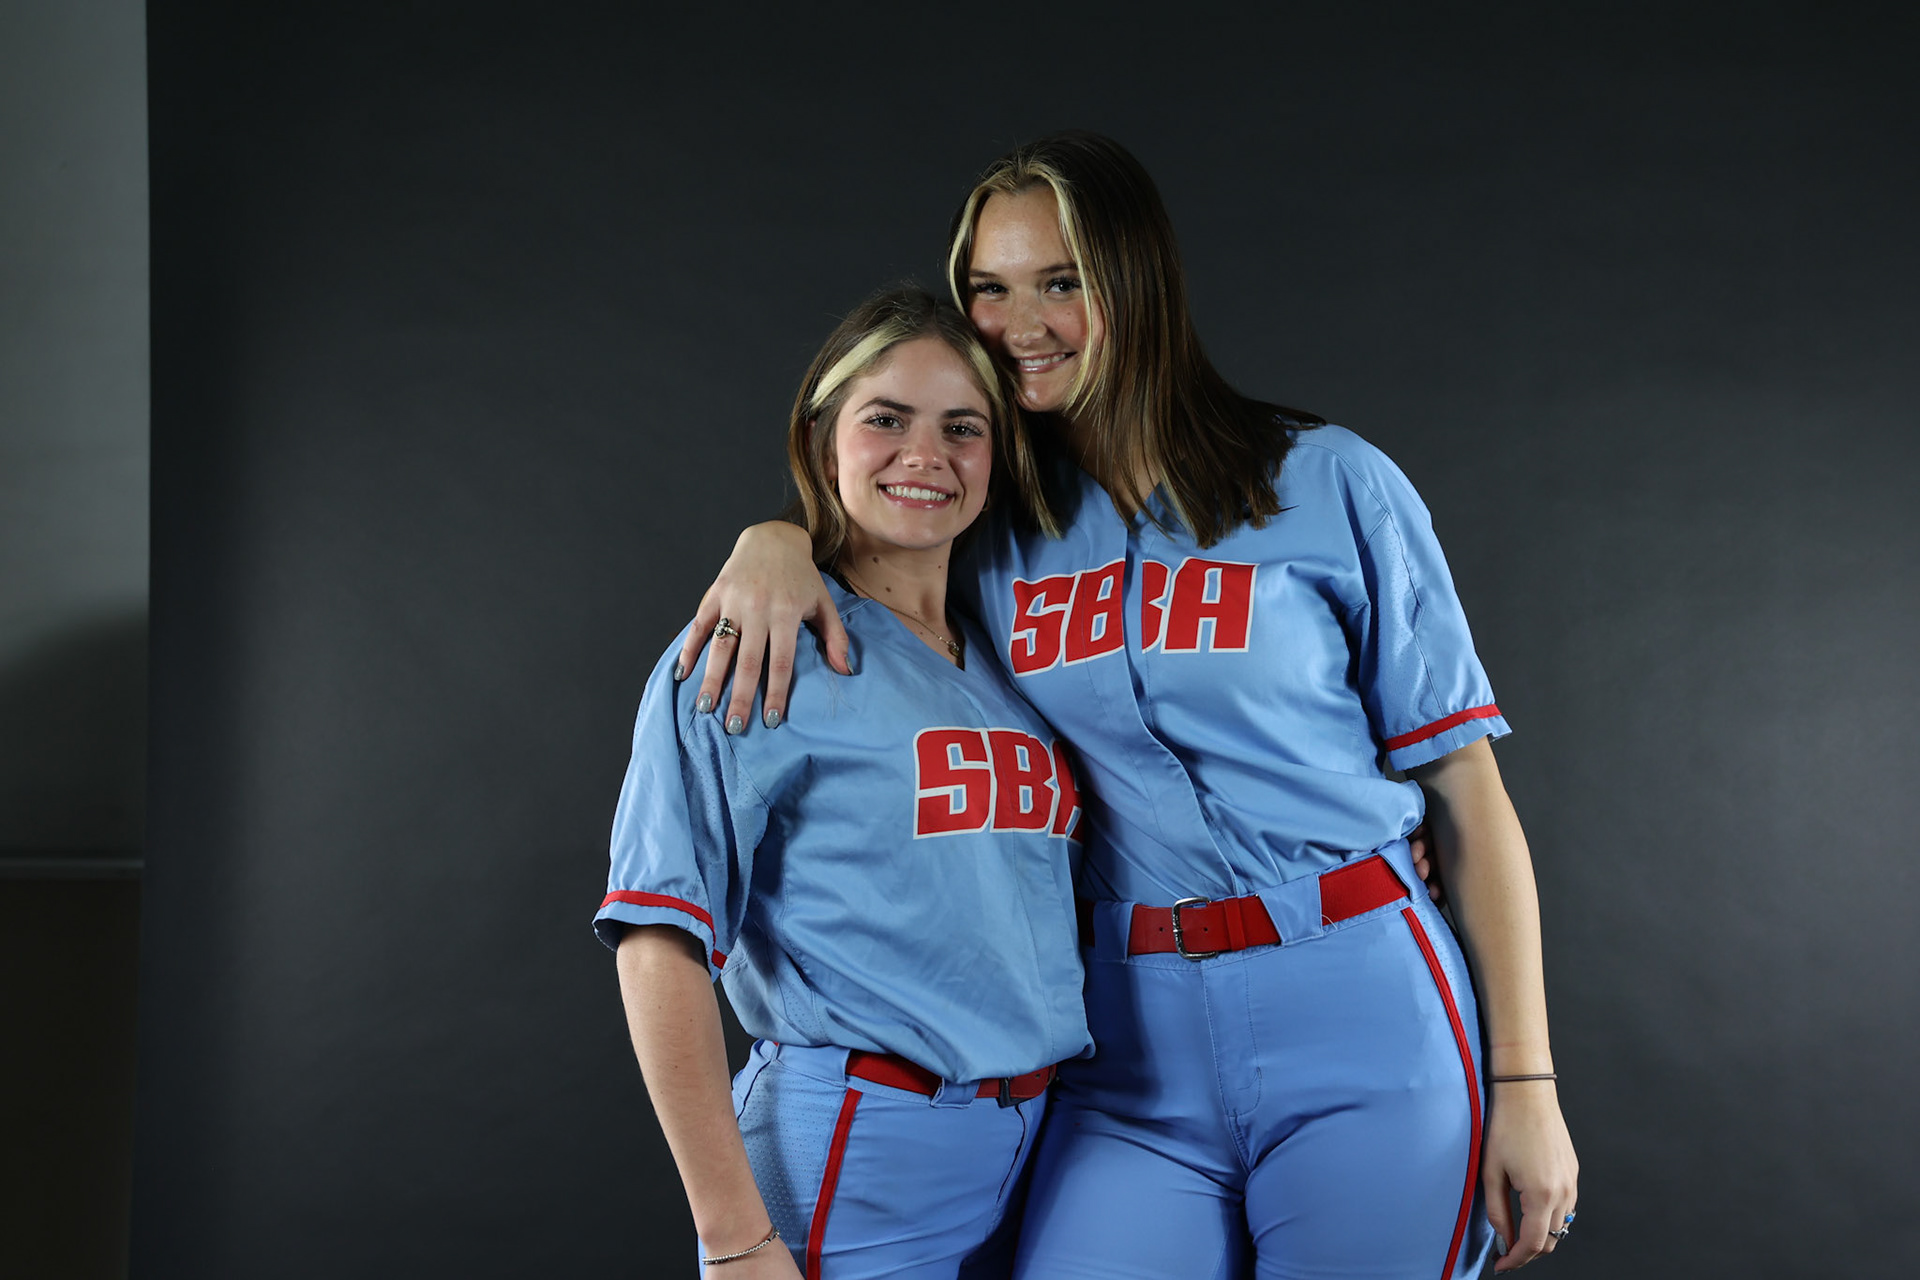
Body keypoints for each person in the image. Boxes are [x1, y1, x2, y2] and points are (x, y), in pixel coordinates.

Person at [675, 132, 1579, 1278]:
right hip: (1126, 1044)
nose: (1021, 324)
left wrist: (1525, 1081)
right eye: (987, 291)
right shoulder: (988, 529)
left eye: (1062, 282)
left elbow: (1469, 798)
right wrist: (776, 538)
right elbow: (873, 506)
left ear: (1133, 283)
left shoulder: (1329, 481)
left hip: (1360, 1001)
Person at [596, 286, 1094, 1280]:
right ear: (823, 439)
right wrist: (735, 1235)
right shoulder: (754, 647)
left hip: (1043, 1143)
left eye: (963, 427)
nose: (927, 455)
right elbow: (656, 942)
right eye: (886, 419)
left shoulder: (1011, 657)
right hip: (861, 1146)